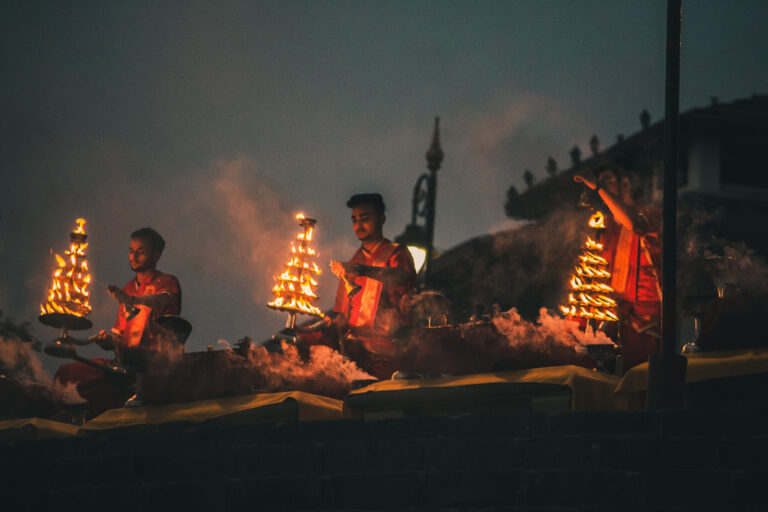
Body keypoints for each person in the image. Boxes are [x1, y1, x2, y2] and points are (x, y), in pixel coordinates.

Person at [55, 227, 182, 411]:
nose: (134, 256)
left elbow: (162, 301)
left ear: (156, 255)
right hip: (124, 366)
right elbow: (120, 340)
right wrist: (107, 341)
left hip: (154, 365)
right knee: (66, 374)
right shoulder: (128, 288)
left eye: (141, 252)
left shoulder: (167, 282)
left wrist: (132, 300)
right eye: (131, 251)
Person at [574, 166, 662, 370]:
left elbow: (633, 223)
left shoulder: (651, 214)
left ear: (625, 184)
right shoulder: (605, 225)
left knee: (640, 380)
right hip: (611, 321)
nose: (600, 187)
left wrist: (599, 187)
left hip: (644, 324)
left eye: (608, 180)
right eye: (601, 181)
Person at [323, 193, 417, 379]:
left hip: (393, 356)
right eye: (354, 220)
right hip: (357, 359)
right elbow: (342, 316)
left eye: (365, 219)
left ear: (382, 219)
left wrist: (360, 270)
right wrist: (322, 326)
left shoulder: (397, 253)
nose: (359, 225)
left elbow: (400, 277)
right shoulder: (351, 264)